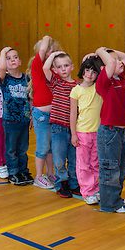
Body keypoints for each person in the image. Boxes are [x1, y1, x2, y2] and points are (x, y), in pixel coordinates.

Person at [94, 46, 125, 213]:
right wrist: (100, 50)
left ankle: (113, 198)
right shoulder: (104, 83)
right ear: (104, 67)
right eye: (113, 61)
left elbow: (123, 56)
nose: (119, 62)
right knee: (110, 168)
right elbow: (109, 62)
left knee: (121, 168)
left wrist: (112, 52)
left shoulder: (120, 78)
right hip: (109, 133)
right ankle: (109, 203)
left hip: (121, 132)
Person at [43, 50, 81, 198]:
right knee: (59, 158)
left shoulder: (78, 86)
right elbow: (45, 68)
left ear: (72, 67)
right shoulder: (56, 82)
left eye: (66, 65)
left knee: (74, 158)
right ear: (55, 69)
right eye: (59, 67)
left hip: (74, 128)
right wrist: (54, 55)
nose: (63, 69)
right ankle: (62, 182)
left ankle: (74, 183)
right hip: (58, 127)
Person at [70, 54, 104, 205]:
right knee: (83, 164)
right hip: (82, 132)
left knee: (95, 163)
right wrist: (73, 134)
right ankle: (87, 191)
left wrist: (96, 56)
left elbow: (106, 68)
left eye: (94, 71)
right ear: (82, 71)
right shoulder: (76, 90)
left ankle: (96, 189)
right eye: (87, 70)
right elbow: (73, 114)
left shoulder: (99, 87)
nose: (90, 74)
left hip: (98, 132)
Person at [0, 46, 33, 185]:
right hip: (10, 120)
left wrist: (31, 115)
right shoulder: (4, 78)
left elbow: (31, 98)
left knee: (23, 148)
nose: (12, 60)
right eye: (8, 58)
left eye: (15, 57)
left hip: (23, 120)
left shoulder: (27, 78)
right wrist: (2, 52)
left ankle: (23, 170)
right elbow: (1, 68)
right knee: (11, 148)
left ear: (20, 61)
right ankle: (13, 172)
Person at [29, 35, 60, 189]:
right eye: (49, 52)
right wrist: (47, 38)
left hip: (54, 114)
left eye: (54, 52)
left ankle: (50, 173)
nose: (51, 54)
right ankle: (38, 176)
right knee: (42, 146)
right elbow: (42, 50)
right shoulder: (37, 65)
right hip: (41, 114)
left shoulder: (55, 71)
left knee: (51, 146)